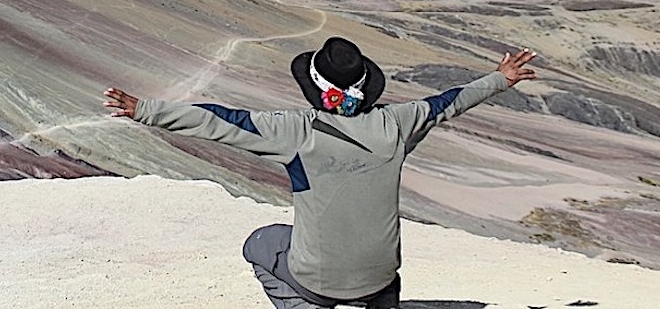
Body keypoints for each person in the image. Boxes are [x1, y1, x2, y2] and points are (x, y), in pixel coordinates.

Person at [105, 37, 537, 309]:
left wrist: (145, 110)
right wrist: (500, 78)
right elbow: (449, 102)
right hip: (380, 279)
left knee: (260, 244)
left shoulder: (295, 131)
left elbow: (221, 121)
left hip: (319, 281)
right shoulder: (399, 123)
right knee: (380, 269)